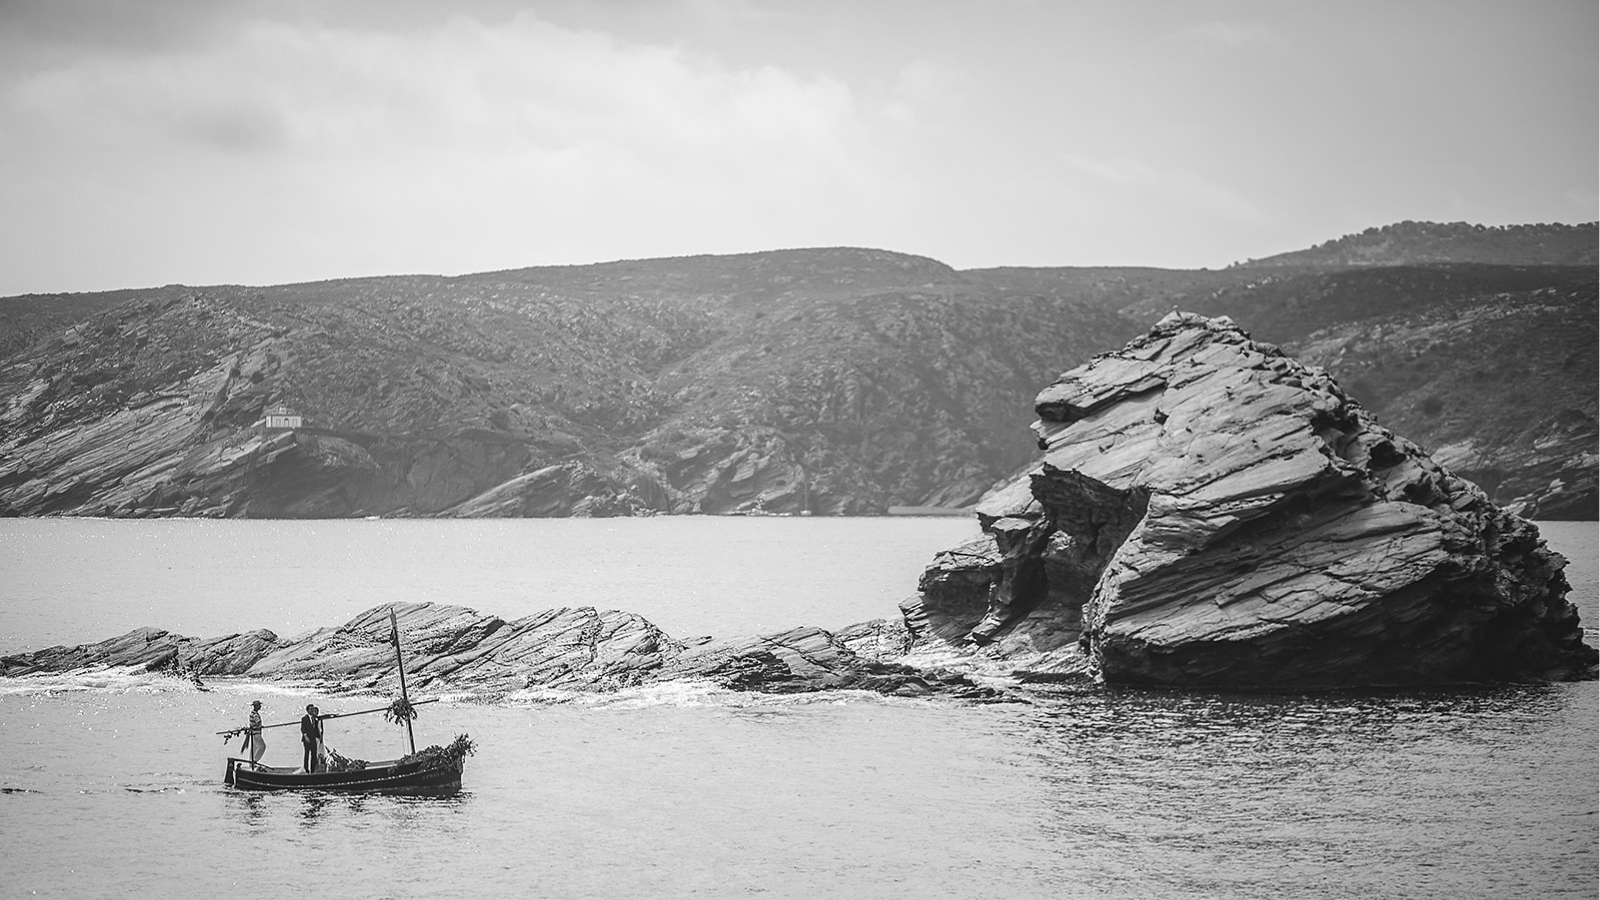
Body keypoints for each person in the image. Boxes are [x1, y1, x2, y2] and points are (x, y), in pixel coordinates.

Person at [300, 704, 323, 773]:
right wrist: (305, 736)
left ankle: (313, 770)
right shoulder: (304, 718)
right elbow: (302, 728)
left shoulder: (315, 718)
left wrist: (319, 737)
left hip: (313, 739)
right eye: (310, 709)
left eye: (313, 709)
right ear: (307, 710)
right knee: (306, 754)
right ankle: (306, 769)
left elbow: (317, 728)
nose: (312, 710)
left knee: (314, 755)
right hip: (307, 739)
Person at [244, 700, 266, 765]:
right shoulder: (255, 714)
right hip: (256, 733)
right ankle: (255, 760)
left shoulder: (252, 713)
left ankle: (251, 763)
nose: (260, 706)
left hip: (253, 733)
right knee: (262, 747)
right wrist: (260, 726)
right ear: (256, 706)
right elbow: (258, 722)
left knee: (254, 749)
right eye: (259, 705)